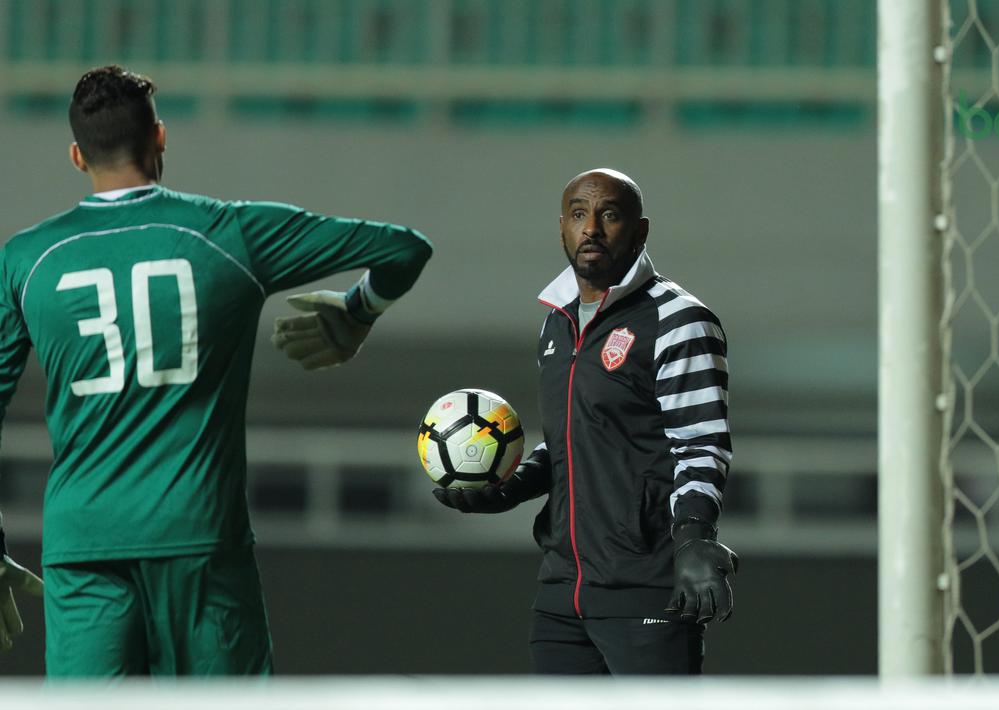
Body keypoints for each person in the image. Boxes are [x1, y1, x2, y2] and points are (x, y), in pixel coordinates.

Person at [0, 65, 433, 676]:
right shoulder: (231, 235)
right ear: (160, 138)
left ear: (77, 156)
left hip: (84, 546)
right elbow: (403, 248)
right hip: (200, 540)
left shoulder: (26, 260)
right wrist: (358, 311)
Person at [432, 168, 738, 675]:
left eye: (609, 214)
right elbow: (569, 442)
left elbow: (700, 446)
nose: (591, 227)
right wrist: (512, 487)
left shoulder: (680, 320)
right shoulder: (557, 320)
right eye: (578, 214)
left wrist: (693, 538)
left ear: (639, 232)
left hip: (647, 588)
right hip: (561, 594)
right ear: (562, 229)